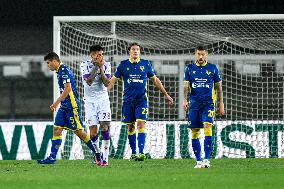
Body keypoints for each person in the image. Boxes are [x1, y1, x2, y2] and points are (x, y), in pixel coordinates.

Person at [108, 42, 174, 161]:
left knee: (141, 124)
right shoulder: (123, 65)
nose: (135, 51)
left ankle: (142, 153)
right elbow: (113, 80)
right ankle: (134, 153)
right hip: (127, 101)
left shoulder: (145, 64)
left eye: (137, 49)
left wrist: (165, 94)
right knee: (130, 127)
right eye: (133, 49)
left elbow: (155, 80)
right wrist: (105, 92)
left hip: (141, 100)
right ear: (129, 51)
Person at [37, 52, 99, 164]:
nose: (48, 65)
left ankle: (97, 153)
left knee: (79, 132)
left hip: (71, 106)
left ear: (54, 61)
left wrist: (56, 102)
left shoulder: (64, 70)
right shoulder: (59, 71)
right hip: (64, 106)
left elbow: (68, 89)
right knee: (57, 129)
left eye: (48, 63)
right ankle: (52, 158)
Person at [183, 46, 225, 168]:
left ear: (206, 55)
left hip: (208, 104)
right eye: (198, 54)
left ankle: (207, 159)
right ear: (195, 54)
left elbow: (219, 88)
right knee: (194, 132)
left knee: (207, 127)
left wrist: (221, 103)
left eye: (203, 54)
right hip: (194, 105)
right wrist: (185, 100)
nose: (201, 57)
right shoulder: (189, 69)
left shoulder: (212, 68)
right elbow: (186, 86)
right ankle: (199, 161)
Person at [80, 45, 111, 166]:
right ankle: (97, 153)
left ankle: (106, 158)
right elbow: (89, 81)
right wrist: (96, 67)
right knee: (93, 133)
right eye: (98, 55)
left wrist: (101, 68)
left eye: (101, 54)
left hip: (103, 100)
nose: (100, 57)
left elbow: (107, 82)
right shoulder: (84, 65)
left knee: (104, 127)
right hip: (89, 101)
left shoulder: (107, 64)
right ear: (91, 55)